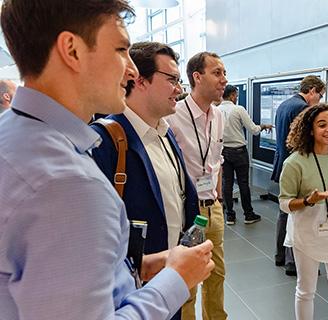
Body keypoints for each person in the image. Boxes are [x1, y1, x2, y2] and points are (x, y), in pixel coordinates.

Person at [0, 1, 214, 319]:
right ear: (71, 50)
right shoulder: (68, 184)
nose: (130, 70)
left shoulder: (14, 137)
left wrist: (133, 268)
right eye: (120, 50)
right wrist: (175, 281)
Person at [91, 42, 200, 319]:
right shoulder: (105, 141)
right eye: (172, 80)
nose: (179, 89)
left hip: (169, 277)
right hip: (134, 292)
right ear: (139, 80)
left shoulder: (165, 131)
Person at [167, 51, 228, 320]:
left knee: (217, 273)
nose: (224, 79)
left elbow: (217, 160)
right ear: (197, 76)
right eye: (217, 73)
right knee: (188, 282)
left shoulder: (219, 116)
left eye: (224, 73)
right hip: (187, 210)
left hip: (212, 207)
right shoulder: (172, 116)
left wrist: (218, 197)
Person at [279, 103, 328, 320]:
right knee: (306, 291)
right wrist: (308, 201)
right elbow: (284, 203)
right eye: (322, 125)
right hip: (306, 233)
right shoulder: (294, 163)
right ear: (310, 130)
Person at [271, 75, 326, 275]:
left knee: (284, 212)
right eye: (319, 96)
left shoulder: (284, 105)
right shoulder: (304, 109)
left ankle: (280, 255)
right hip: (299, 169)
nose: (318, 100)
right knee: (299, 216)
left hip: (283, 165)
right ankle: (294, 262)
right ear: (311, 90)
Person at [219, 84, 272, 225]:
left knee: (227, 184)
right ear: (231, 95)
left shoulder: (216, 110)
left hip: (223, 151)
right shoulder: (238, 109)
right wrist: (264, 126)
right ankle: (248, 215)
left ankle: (230, 216)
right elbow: (254, 130)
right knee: (243, 183)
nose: (237, 97)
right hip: (239, 152)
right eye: (236, 95)